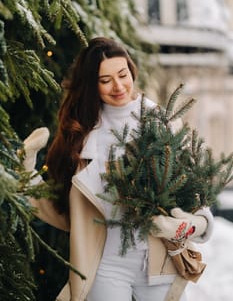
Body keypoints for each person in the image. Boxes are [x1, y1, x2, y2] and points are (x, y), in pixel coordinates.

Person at [23, 37, 214, 301]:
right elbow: (67, 213)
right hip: (105, 265)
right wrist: (27, 175)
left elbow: (194, 198)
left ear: (131, 71)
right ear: (92, 85)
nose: (118, 86)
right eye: (105, 80)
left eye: (123, 74)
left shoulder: (163, 123)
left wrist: (186, 225)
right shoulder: (81, 137)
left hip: (158, 265)